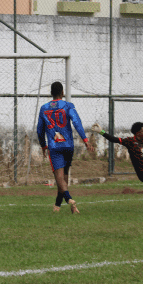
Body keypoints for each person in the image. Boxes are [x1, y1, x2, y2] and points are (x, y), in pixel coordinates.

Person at [37, 82, 95, 214]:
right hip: (68, 145)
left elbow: (39, 129)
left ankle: (69, 199)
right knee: (65, 175)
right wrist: (85, 140)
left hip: (54, 146)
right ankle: (58, 205)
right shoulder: (68, 106)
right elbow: (77, 122)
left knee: (59, 176)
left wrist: (43, 145)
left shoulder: (44, 108)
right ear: (62, 92)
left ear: (51, 93)